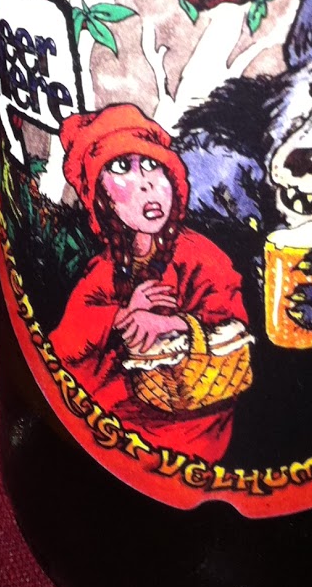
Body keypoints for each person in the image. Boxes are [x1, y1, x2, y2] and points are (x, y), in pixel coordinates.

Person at [50, 102, 252, 462]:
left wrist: (175, 326)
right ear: (102, 198)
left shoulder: (201, 257)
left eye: (152, 165)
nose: (145, 184)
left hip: (190, 425)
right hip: (103, 430)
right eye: (121, 168)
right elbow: (64, 345)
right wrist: (122, 316)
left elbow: (232, 327)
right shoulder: (105, 269)